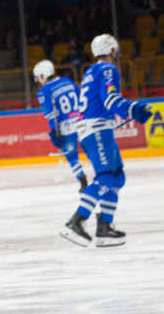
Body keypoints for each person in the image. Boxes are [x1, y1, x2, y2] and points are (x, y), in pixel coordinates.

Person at [60, 34, 153, 248]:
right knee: (105, 177)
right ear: (111, 50)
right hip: (97, 130)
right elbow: (110, 100)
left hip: (96, 129)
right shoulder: (108, 69)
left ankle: (104, 228)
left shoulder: (90, 71)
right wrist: (134, 109)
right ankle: (76, 221)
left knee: (117, 177)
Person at [33, 60, 87, 192]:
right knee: (91, 149)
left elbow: (51, 115)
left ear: (42, 76)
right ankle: (102, 175)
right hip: (82, 123)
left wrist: (54, 133)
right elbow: (83, 98)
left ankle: (82, 180)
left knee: (71, 156)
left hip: (66, 128)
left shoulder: (43, 91)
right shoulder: (67, 81)